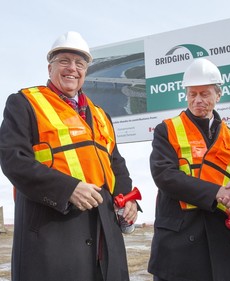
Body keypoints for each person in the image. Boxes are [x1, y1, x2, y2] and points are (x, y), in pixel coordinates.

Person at [0, 31, 139, 281]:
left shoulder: (100, 114)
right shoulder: (24, 103)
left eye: (80, 63)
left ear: (86, 70)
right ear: (50, 66)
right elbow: (14, 160)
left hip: (104, 237)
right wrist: (68, 189)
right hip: (51, 237)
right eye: (64, 61)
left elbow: (116, 164)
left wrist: (128, 199)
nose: (72, 69)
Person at [147, 58, 230, 281]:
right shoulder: (167, 129)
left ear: (218, 95)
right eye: (192, 94)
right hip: (180, 245)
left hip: (226, 243)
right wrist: (216, 193)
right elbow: (164, 175)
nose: (198, 100)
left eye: (205, 94)